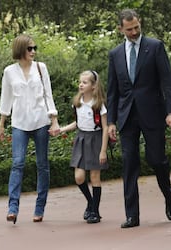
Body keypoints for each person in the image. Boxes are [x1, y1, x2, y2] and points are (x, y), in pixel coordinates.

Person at [107, 9, 171, 228]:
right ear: (121, 29)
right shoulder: (115, 54)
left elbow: (167, 81)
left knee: (156, 160)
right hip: (126, 116)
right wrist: (110, 121)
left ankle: (168, 194)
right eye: (129, 29)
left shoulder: (155, 47)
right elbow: (112, 91)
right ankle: (132, 215)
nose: (134, 32)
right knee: (129, 163)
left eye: (137, 27)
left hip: (153, 113)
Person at [0, 34, 59, 224]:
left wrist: (54, 120)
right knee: (17, 163)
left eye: (35, 48)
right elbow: (6, 99)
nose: (33, 51)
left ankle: (39, 208)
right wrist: (1, 124)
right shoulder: (9, 72)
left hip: (41, 121)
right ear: (20, 50)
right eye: (29, 48)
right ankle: (12, 208)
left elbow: (48, 95)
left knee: (42, 165)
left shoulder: (41, 68)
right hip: (19, 124)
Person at [58, 70, 109, 224]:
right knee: (79, 177)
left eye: (85, 82)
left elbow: (106, 127)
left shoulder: (99, 105)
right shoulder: (77, 102)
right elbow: (77, 123)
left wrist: (103, 151)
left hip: (96, 139)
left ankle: (95, 211)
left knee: (94, 177)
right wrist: (62, 129)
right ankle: (90, 202)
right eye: (80, 82)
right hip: (81, 138)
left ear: (93, 86)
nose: (81, 84)